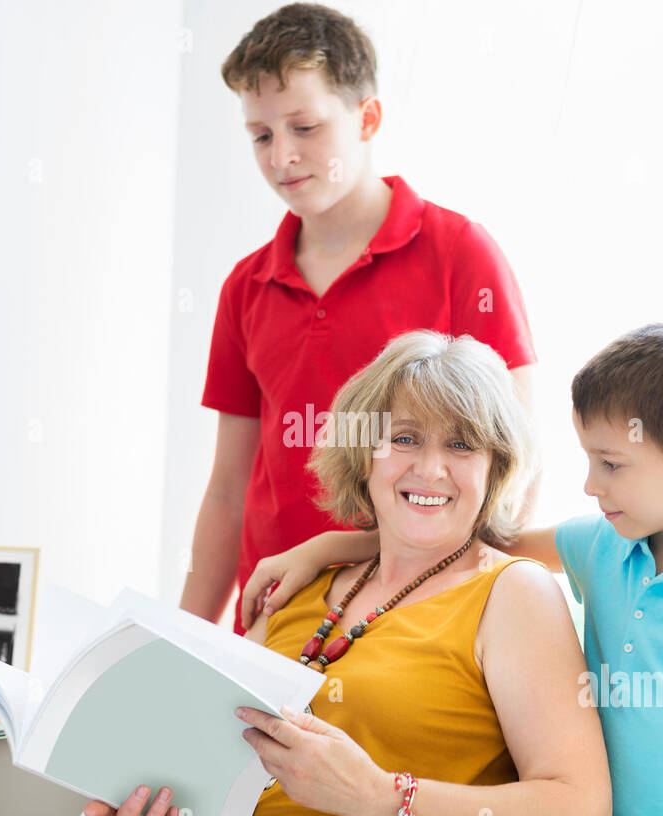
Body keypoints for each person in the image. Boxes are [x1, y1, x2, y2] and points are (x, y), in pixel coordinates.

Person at [241, 321, 663, 816]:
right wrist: (321, 549)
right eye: (404, 439)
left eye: (610, 463)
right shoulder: (606, 543)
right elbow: (465, 536)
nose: (588, 484)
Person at [32, 331, 610, 816]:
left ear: (496, 468)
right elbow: (205, 749)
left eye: (462, 445)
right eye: (404, 438)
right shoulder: (305, 581)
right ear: (365, 456)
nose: (430, 468)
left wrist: (379, 798)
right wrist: (147, 790)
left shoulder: (512, 594)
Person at [181, 3, 540, 638]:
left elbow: (517, 460)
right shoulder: (246, 285)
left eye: (306, 126)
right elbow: (227, 489)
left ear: (367, 117)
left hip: (414, 619)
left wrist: (472, 611)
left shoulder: (460, 254)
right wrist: (185, 637)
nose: (282, 155)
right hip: (276, 621)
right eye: (261, 135)